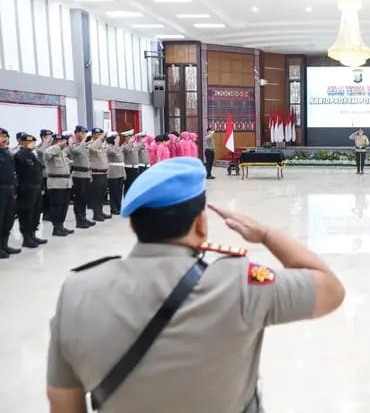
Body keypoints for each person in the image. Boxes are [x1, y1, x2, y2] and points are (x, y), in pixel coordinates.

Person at [46, 157, 345, 413]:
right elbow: (330, 290)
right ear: (201, 225)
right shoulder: (240, 283)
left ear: (133, 225)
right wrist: (266, 233)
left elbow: (62, 403)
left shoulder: (77, 292)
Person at [14, 133, 48, 248]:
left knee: (35, 212)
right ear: (22, 143)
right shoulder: (20, 155)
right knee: (26, 214)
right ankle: (27, 238)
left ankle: (33, 235)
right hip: (26, 189)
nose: (32, 144)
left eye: (32, 142)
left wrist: (41, 187)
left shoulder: (32, 155)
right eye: (29, 142)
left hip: (36, 188)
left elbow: (38, 172)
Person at [44, 133, 74, 237]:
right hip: (56, 183)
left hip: (66, 183)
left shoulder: (63, 153)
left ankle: (61, 225)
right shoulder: (49, 151)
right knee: (56, 206)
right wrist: (57, 146)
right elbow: (47, 153)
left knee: (64, 206)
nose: (61, 143)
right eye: (58, 141)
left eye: (62, 141)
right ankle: (56, 228)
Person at [69, 125, 95, 229]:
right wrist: (84, 141)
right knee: (79, 198)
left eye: (85, 133)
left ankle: (83, 217)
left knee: (85, 198)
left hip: (86, 174)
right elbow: (77, 151)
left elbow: (88, 161)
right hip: (78, 175)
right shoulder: (74, 145)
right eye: (82, 133)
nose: (84, 135)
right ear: (77, 133)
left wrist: (90, 173)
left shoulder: (83, 145)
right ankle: (79, 219)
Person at [0, 127, 20, 258]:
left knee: (8, 218)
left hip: (9, 189)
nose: (4, 139)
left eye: (5, 136)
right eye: (1, 136)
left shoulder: (7, 153)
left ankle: (4, 245)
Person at [88, 128, 111, 222]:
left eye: (100, 134)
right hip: (96, 173)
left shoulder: (101, 145)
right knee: (96, 195)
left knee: (102, 194)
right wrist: (100, 138)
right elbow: (92, 149)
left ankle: (100, 211)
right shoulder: (91, 144)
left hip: (103, 173)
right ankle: (96, 213)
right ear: (93, 135)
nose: (99, 136)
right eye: (97, 134)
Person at [37, 129, 55, 221]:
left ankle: (51, 212)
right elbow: (42, 152)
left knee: (52, 194)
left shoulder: (52, 146)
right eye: (48, 136)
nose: (50, 138)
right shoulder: (40, 147)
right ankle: (46, 213)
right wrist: (45, 142)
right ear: (43, 137)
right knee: (46, 195)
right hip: (44, 173)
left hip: (52, 173)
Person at [106, 133, 126, 216]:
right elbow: (114, 153)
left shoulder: (118, 147)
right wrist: (116, 144)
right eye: (116, 138)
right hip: (113, 172)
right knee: (113, 191)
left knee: (119, 192)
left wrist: (124, 172)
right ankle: (113, 209)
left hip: (120, 171)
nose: (118, 140)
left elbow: (122, 161)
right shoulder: (109, 147)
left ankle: (118, 208)